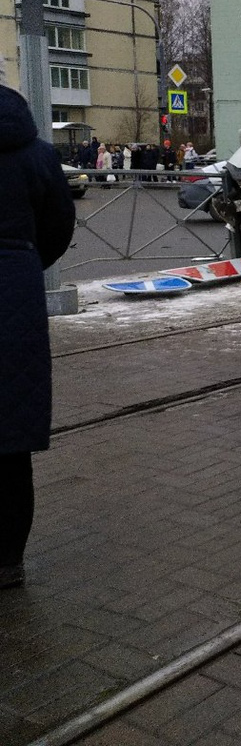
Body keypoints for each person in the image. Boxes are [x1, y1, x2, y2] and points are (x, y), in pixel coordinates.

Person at [0, 85, 76, 588]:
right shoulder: (37, 153)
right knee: (11, 431)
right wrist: (28, 263)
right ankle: (7, 559)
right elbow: (59, 223)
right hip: (15, 287)